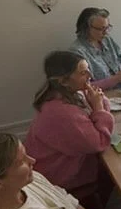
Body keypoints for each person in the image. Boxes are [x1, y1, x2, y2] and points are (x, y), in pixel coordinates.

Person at [25, 50, 113, 200]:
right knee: (113, 167)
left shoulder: (71, 92)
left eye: (88, 69)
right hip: (56, 174)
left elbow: (100, 107)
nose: (90, 75)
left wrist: (98, 103)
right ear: (64, 81)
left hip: (55, 161)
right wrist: (98, 107)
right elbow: (99, 143)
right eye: (83, 73)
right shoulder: (62, 112)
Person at [70, 8, 121, 90]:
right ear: (86, 28)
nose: (106, 32)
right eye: (101, 29)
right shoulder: (77, 51)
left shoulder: (107, 40)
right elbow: (82, 87)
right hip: (102, 94)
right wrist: (115, 79)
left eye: (107, 27)